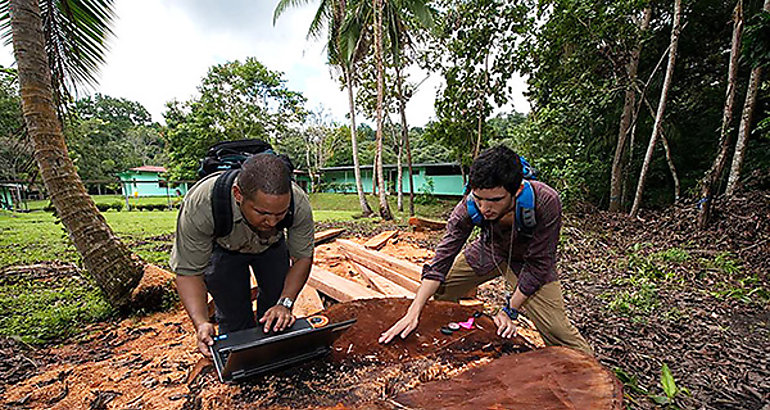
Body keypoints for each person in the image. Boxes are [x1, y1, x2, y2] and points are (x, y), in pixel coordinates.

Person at [379, 145, 592, 355]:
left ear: (517, 190)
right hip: (490, 250)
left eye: (495, 200)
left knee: (557, 330)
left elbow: (539, 265)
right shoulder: (466, 208)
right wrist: (414, 311)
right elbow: (441, 260)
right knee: (443, 289)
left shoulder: (545, 201)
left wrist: (509, 311)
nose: (484, 208)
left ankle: (593, 376)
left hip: (527, 262)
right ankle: (454, 335)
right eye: (478, 199)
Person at [170, 153, 315, 357]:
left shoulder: (298, 203)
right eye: (263, 213)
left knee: (276, 315)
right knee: (234, 318)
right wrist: (201, 322)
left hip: (271, 248)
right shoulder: (202, 204)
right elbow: (188, 272)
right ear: (238, 195)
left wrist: (285, 303)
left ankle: (275, 361)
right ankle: (241, 371)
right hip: (225, 251)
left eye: (280, 214)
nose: (272, 223)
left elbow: (302, 258)